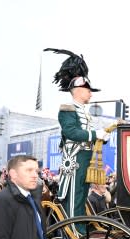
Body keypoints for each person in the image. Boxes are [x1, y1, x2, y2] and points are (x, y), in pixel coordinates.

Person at [45, 48, 110, 220]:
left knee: (81, 195)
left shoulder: (84, 111)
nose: (90, 93)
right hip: (75, 158)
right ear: (79, 90)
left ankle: (78, 228)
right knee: (74, 195)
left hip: (85, 156)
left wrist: (101, 138)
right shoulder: (67, 109)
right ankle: (73, 231)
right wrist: (96, 135)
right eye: (88, 90)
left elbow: (85, 133)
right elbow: (71, 132)